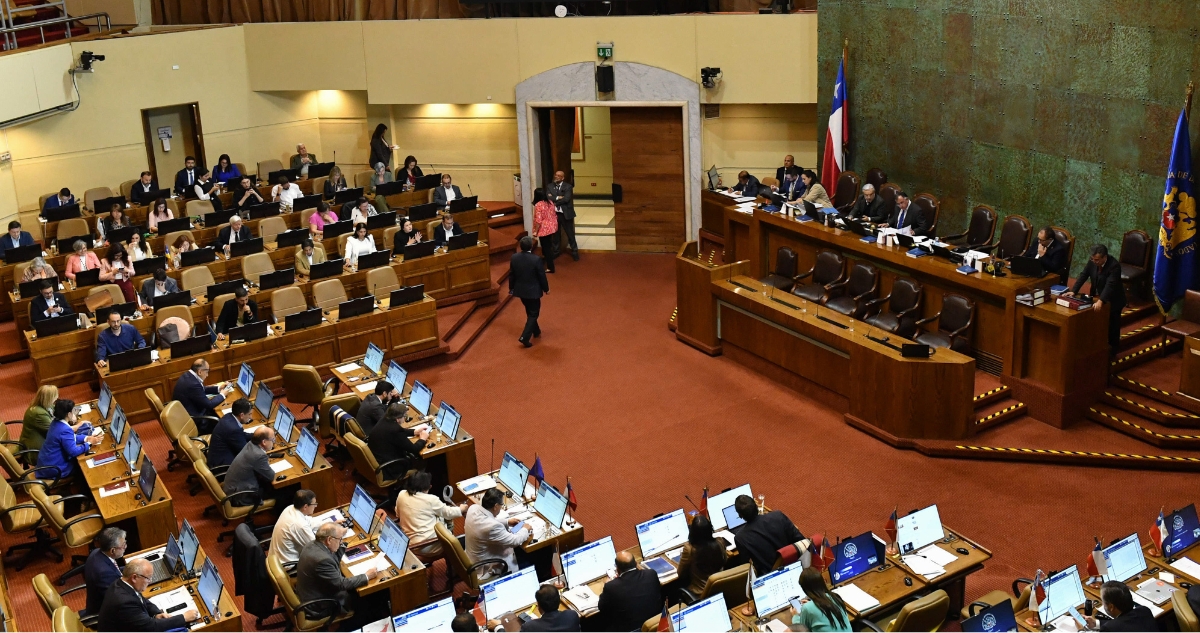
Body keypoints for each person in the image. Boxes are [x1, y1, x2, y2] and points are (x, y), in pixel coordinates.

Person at [296, 522, 379, 625]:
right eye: (340, 539)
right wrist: (366, 576)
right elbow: (341, 584)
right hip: (320, 604)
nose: (341, 542)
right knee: (368, 599)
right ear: (329, 539)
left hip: (311, 592)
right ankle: (351, 627)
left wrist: (341, 540)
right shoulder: (322, 560)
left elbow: (333, 559)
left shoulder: (312, 545)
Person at [97, 558, 199, 631]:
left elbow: (141, 599)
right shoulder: (124, 602)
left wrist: (156, 613)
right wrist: (184, 617)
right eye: (148, 578)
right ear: (134, 577)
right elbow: (150, 627)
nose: (150, 581)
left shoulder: (121, 583)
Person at [1065, 244, 1127, 354]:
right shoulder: (1092, 261)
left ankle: (1113, 351)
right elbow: (1083, 275)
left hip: (1114, 299)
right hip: (1097, 295)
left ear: (1105, 257)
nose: (1094, 262)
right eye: (1093, 259)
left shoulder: (1114, 266)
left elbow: (1110, 285)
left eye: (1097, 260)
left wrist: (1101, 300)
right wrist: (1074, 291)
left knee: (1113, 326)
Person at [395, 471, 467, 561]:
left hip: (410, 544)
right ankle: (454, 566)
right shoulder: (430, 500)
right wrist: (461, 509)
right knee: (465, 540)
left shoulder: (401, 494)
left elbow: (398, 514)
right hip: (427, 546)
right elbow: (448, 513)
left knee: (440, 518)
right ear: (428, 487)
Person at [733, 495, 806, 574]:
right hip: (797, 566)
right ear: (757, 505)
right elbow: (801, 540)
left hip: (771, 577)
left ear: (740, 516)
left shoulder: (740, 538)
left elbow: (747, 567)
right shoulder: (778, 516)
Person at [465, 488, 530, 575]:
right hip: (486, 568)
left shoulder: (473, 508)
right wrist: (525, 529)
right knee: (530, 557)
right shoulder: (493, 527)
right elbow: (514, 541)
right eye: (501, 505)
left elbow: (484, 522)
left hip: (472, 558)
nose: (501, 507)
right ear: (495, 506)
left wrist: (507, 522)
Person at [35, 398, 101, 480]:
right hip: (54, 468)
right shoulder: (65, 429)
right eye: (73, 411)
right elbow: (73, 452)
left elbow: (69, 438)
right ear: (69, 414)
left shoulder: (55, 422)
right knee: (82, 467)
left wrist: (86, 438)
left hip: (45, 463)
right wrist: (89, 444)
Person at [597, 551, 662, 632]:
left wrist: (608, 584)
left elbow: (601, 607)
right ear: (636, 563)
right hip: (655, 624)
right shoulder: (651, 574)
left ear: (617, 569)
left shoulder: (611, 586)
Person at [367, 402, 429, 481]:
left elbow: (400, 431)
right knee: (421, 461)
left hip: (378, 459)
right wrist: (423, 439)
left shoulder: (385, 419)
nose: (405, 418)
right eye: (404, 416)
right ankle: (415, 484)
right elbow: (414, 449)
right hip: (390, 468)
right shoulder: (395, 430)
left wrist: (414, 432)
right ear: (398, 419)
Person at [509, 236, 549, 348]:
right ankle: (524, 337)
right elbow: (542, 276)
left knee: (529, 310)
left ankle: (536, 331)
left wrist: (511, 288)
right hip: (533, 291)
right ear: (531, 246)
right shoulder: (536, 259)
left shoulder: (514, 257)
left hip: (520, 291)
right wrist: (546, 289)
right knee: (534, 313)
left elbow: (511, 275)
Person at [223, 427, 277, 506]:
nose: (274, 443)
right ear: (264, 442)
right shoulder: (259, 455)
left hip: (232, 488)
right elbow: (271, 476)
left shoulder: (250, 444)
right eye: (273, 440)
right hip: (240, 496)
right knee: (282, 492)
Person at [270, 489, 324, 565]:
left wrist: (328, 524)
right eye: (314, 504)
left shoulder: (290, 508)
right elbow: (316, 549)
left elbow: (309, 521)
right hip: (289, 566)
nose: (316, 506)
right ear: (305, 506)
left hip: (277, 559)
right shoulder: (299, 525)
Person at [677, 514, 726, 597]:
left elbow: (680, 573)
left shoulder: (689, 549)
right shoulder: (720, 542)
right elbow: (724, 561)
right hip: (719, 588)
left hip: (700, 594)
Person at [1081, 580, 1158, 631]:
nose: (1102, 604)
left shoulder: (1109, 629)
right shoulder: (1144, 611)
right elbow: (1123, 624)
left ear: (1111, 607)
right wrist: (1096, 623)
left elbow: (1115, 626)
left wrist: (1080, 630)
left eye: (1103, 601)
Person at [791, 567, 851, 632]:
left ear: (805, 589)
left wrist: (795, 616)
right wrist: (812, 604)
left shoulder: (807, 608)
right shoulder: (836, 597)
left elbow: (801, 631)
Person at [84, 527, 127, 616]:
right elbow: (118, 599)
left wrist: (133, 568)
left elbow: (116, 571)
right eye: (123, 545)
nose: (125, 547)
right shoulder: (104, 574)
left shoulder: (96, 552)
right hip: (105, 615)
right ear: (112, 550)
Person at [208, 397, 253, 467]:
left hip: (216, 457)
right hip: (223, 466)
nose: (251, 417)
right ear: (242, 415)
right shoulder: (234, 429)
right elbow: (245, 452)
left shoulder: (228, 416)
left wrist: (258, 435)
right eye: (249, 414)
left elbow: (241, 435)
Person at [20, 384, 57, 457]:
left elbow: (56, 409)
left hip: (42, 438)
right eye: (54, 397)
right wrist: (77, 426)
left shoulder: (43, 404)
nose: (56, 398)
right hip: (38, 449)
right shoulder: (39, 414)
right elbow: (56, 431)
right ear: (48, 399)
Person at [548, 171, 578, 260]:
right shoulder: (550, 186)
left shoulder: (568, 186)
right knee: (556, 234)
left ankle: (575, 251)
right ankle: (556, 251)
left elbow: (566, 199)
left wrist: (555, 202)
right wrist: (558, 197)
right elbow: (548, 197)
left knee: (570, 233)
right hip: (554, 214)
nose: (556, 177)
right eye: (556, 175)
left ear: (563, 178)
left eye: (559, 176)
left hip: (565, 214)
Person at [532, 188, 559, 273]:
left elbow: (538, 220)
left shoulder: (538, 205)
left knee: (546, 248)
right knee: (548, 246)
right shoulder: (550, 202)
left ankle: (550, 267)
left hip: (544, 229)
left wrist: (536, 231)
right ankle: (545, 260)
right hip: (552, 227)